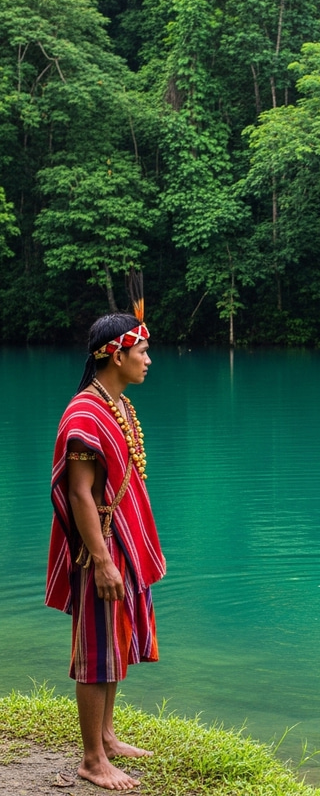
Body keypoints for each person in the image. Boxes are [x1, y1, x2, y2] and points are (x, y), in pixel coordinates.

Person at [45, 300, 166, 791]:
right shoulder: (85, 412)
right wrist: (100, 561)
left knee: (114, 642)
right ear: (117, 355)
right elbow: (79, 493)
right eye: (143, 351)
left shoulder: (118, 405)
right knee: (97, 650)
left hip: (121, 544)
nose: (148, 360)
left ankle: (108, 738)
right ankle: (92, 760)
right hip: (100, 546)